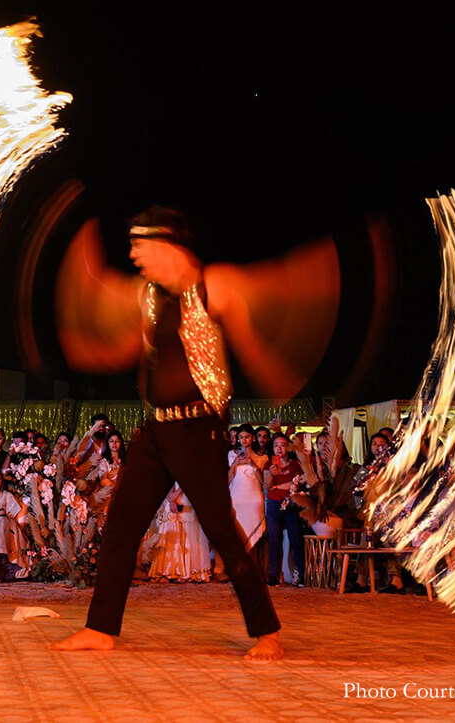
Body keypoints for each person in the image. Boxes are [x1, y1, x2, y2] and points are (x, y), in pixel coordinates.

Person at [53, 206, 283, 661]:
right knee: (121, 527)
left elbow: (259, 316)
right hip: (156, 430)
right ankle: (100, 628)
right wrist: (89, 337)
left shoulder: (213, 286)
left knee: (221, 530)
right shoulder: (151, 298)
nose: (133, 255)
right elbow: (121, 339)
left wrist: (274, 371)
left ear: (165, 244)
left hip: (199, 429)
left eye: (139, 245)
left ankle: (268, 632)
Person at [148, 484, 211, 582]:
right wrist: (172, 498)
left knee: (190, 530)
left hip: (186, 492)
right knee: (170, 527)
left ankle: (189, 571)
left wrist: (177, 493)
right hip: (171, 492)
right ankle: (168, 571)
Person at [265, 433, 305, 587]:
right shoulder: (269, 464)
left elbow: (296, 484)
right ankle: (274, 575)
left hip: (291, 503)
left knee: (296, 538)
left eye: (282, 445)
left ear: (288, 447)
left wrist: (277, 486)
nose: (279, 448)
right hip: (273, 503)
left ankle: (301, 574)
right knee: (274, 538)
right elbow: (267, 486)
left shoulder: (295, 464)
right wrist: (271, 475)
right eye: (276, 445)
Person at [228, 428, 269, 571]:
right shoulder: (231, 455)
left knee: (256, 534)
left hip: (254, 499)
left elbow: (263, 482)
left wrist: (253, 464)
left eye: (247, 436)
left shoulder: (262, 458)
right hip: (237, 498)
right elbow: (227, 480)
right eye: (241, 437)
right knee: (238, 534)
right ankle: (241, 571)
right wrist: (234, 464)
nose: (244, 440)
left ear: (253, 438)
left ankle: (257, 570)